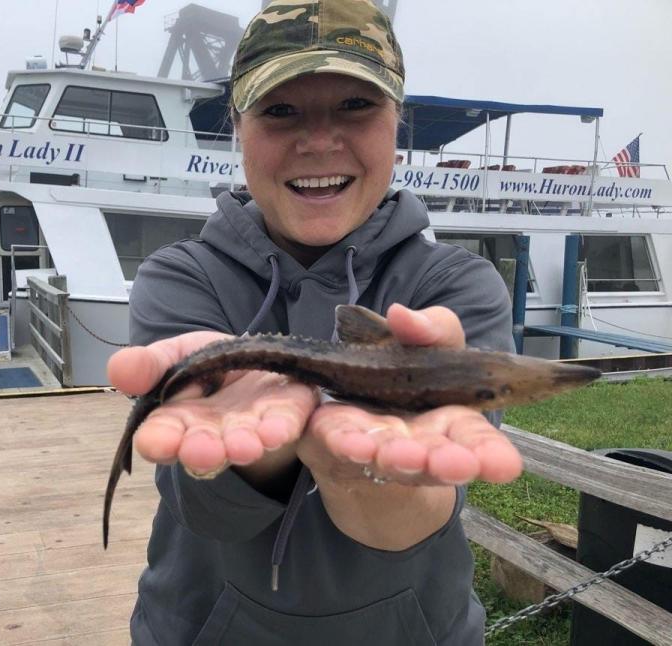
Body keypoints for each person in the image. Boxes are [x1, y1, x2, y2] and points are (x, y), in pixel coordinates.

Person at [107, 1, 523, 643]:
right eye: (280, 110)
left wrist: (357, 470)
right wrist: (259, 446)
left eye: (356, 106)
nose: (320, 140)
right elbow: (205, 509)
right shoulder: (178, 275)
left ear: (397, 122)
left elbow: (422, 515)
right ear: (237, 126)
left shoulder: (457, 286)